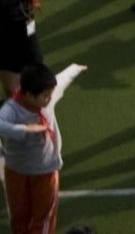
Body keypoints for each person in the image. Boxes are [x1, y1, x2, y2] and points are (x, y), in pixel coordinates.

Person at [0, 60, 83, 234]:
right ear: (29, 94)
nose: (49, 99)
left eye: (50, 94)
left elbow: (62, 79)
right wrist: (24, 129)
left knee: (43, 219)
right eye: (45, 96)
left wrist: (75, 68)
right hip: (17, 170)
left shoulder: (46, 98)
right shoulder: (12, 109)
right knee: (20, 217)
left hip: (45, 169)